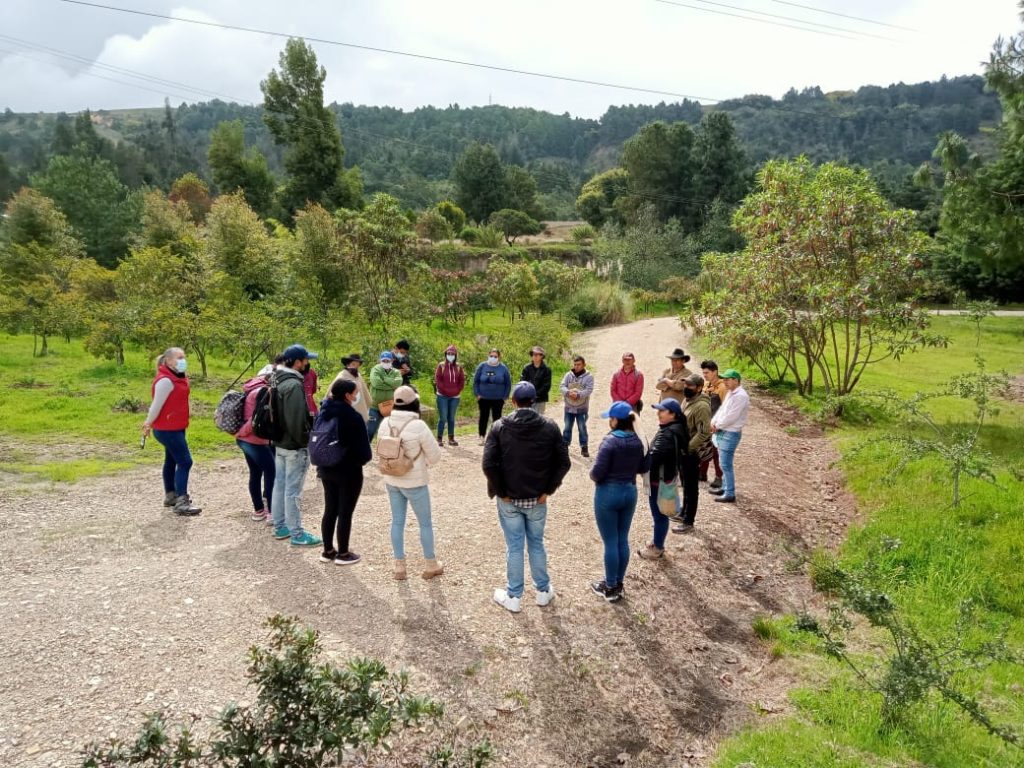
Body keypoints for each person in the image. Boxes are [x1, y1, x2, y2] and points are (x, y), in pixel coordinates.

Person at [483, 382, 571, 613]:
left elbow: (488, 465)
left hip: (509, 500)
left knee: (514, 547)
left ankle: (514, 596)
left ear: (513, 401)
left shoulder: (500, 426)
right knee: (536, 543)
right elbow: (564, 462)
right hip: (537, 499)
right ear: (534, 401)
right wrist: (548, 490)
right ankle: (543, 591)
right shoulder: (549, 426)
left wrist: (501, 492)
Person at [378, 385, 445, 580]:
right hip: (414, 482)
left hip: (392, 479)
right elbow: (435, 457)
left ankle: (399, 566)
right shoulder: (418, 426)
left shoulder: (385, 423)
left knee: (397, 521)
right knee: (425, 523)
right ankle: (430, 564)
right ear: (414, 403)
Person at [589, 401, 647, 603]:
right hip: (629, 492)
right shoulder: (638, 440)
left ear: (615, 420)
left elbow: (597, 473)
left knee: (610, 542)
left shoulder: (610, 442)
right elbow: (642, 467)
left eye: (610, 418)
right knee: (622, 539)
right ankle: (619, 582)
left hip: (608, 493)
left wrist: (593, 474)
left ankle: (610, 586)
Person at [316, 378, 373, 565]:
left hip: (325, 467)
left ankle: (328, 550)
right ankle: (343, 553)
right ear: (348, 395)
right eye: (355, 393)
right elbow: (365, 452)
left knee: (330, 509)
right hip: (349, 470)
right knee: (345, 511)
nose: (357, 396)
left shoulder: (323, 413)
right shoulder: (353, 417)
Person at [270, 344, 322, 547]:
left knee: (279, 486)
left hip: (280, 442)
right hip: (293, 446)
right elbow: (296, 420)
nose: (307, 364)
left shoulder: (276, 378)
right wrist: (304, 442)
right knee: (293, 491)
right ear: (297, 361)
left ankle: (280, 526)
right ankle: (297, 533)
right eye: (306, 360)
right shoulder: (293, 385)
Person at [141, 347, 201, 516]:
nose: (183, 361)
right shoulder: (166, 381)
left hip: (176, 426)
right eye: (179, 358)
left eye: (184, 357)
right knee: (185, 462)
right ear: (168, 361)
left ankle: (171, 495)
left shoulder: (178, 377)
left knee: (171, 460)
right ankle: (181, 501)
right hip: (168, 429)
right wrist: (147, 424)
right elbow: (155, 406)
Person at [636, 398, 688, 561]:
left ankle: (657, 548)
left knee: (659, 515)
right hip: (666, 477)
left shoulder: (667, 434)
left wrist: (637, 464)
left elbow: (653, 459)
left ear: (673, 414)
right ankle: (657, 542)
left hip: (658, 481)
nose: (658, 413)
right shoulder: (676, 428)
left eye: (662, 411)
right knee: (661, 515)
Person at [235, 364, 276, 522]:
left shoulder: (250, 387)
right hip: (254, 440)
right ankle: (272, 512)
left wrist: (240, 434)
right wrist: (243, 432)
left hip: (245, 440)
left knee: (255, 473)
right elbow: (257, 418)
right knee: (272, 472)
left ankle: (259, 510)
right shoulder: (263, 391)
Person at [675, 373, 712, 534]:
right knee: (684, 483)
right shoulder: (687, 400)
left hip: (691, 452)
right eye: (685, 384)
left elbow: (704, 432)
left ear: (698, 388)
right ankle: (683, 512)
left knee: (691, 487)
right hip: (683, 450)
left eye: (690, 386)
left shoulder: (702, 406)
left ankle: (689, 521)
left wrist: (689, 448)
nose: (686, 388)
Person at [708, 369, 749, 504]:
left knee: (726, 464)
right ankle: (725, 487)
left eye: (727, 379)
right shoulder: (731, 393)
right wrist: (714, 422)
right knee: (722, 461)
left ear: (736, 380)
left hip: (730, 432)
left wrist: (717, 425)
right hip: (723, 430)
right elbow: (722, 410)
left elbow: (732, 416)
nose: (724, 381)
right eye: (724, 379)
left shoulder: (740, 396)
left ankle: (729, 492)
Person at [473, 348, 512, 446]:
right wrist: (477, 394)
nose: (493, 358)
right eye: (491, 356)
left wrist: (505, 396)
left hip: (498, 398)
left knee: (497, 419)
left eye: (495, 356)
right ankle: (481, 436)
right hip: (483, 398)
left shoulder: (503, 368)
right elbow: (476, 381)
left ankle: (495, 438)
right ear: (488, 355)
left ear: (499, 357)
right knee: (483, 417)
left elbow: (508, 383)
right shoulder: (482, 366)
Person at [700, 360, 728, 489]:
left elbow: (727, 408)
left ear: (715, 372)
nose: (705, 375)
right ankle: (702, 473)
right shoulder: (706, 385)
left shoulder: (723, 388)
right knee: (705, 448)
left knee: (717, 452)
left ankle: (719, 477)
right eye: (703, 373)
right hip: (706, 423)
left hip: (718, 425)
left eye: (707, 373)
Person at [560, 355, 595, 457]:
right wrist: (568, 393)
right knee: (567, 427)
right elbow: (562, 386)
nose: (576, 366)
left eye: (579, 364)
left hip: (582, 408)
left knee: (582, 427)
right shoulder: (568, 375)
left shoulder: (589, 377)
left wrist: (578, 394)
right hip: (569, 407)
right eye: (575, 364)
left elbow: (589, 389)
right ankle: (565, 445)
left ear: (584, 365)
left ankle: (584, 447)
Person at [434, 344, 466, 446]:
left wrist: (457, 390)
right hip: (442, 396)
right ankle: (439, 438)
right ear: (445, 354)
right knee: (443, 417)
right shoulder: (441, 365)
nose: (450, 355)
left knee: (451, 417)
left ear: (455, 355)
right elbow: (438, 380)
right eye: (448, 353)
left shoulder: (459, 366)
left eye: (452, 354)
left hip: (455, 396)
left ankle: (451, 438)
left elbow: (461, 380)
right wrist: (445, 390)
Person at [368, 351, 403, 441]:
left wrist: (384, 379)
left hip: (389, 406)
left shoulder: (396, 372)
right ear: (380, 360)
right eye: (384, 361)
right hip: (374, 407)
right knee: (370, 431)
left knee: (389, 432)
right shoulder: (375, 369)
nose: (386, 363)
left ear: (392, 360)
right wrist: (391, 385)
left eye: (388, 361)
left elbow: (398, 383)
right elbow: (376, 383)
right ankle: (364, 452)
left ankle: (387, 451)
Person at [332, 353, 370, 424]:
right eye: (353, 364)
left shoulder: (358, 376)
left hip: (359, 409)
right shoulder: (342, 376)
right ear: (347, 365)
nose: (355, 367)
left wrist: (368, 404)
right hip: (345, 411)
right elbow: (333, 394)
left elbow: (364, 393)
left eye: (357, 365)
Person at [520, 346, 552, 414]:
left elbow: (546, 386)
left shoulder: (547, 370)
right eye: (533, 354)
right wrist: (527, 394)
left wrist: (535, 395)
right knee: (526, 420)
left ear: (542, 356)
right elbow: (522, 382)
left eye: (537, 354)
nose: (534, 356)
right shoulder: (526, 368)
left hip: (540, 399)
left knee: (538, 420)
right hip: (527, 399)